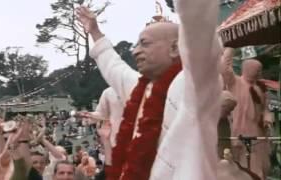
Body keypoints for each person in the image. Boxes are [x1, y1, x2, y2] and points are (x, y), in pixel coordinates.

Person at [76, 0, 222, 178]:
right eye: (136, 45)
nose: (135, 51)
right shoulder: (141, 87)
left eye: (144, 44)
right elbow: (113, 67)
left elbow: (201, 38)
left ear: (176, 48)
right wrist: (94, 31)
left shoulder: (193, 82)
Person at [220, 48, 274, 179]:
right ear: (247, 69)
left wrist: (268, 118)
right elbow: (224, 69)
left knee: (259, 166)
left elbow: (266, 108)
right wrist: (231, 48)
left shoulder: (261, 88)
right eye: (256, 69)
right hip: (240, 131)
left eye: (259, 69)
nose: (258, 72)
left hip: (258, 133)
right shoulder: (236, 82)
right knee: (242, 165)